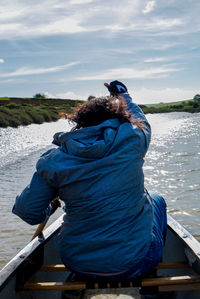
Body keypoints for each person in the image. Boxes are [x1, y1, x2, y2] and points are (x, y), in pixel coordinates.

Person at [12, 80, 167, 281]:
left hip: (76, 264)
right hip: (135, 263)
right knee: (157, 200)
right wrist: (123, 96)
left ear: (79, 123)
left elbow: (28, 212)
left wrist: (49, 208)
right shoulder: (133, 140)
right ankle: (152, 284)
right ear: (122, 118)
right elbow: (141, 121)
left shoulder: (54, 160)